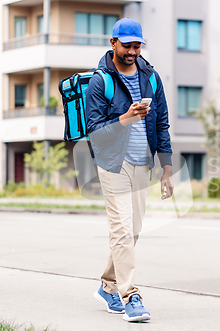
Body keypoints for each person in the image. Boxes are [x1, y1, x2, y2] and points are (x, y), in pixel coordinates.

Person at [85, 17, 173, 323]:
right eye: (127, 46)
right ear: (113, 44)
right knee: (121, 229)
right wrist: (126, 118)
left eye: (138, 46)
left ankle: (108, 286)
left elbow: (162, 122)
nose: (133, 51)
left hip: (141, 163)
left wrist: (167, 167)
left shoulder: (151, 77)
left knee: (132, 232)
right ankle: (130, 295)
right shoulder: (101, 81)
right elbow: (95, 132)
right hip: (112, 164)